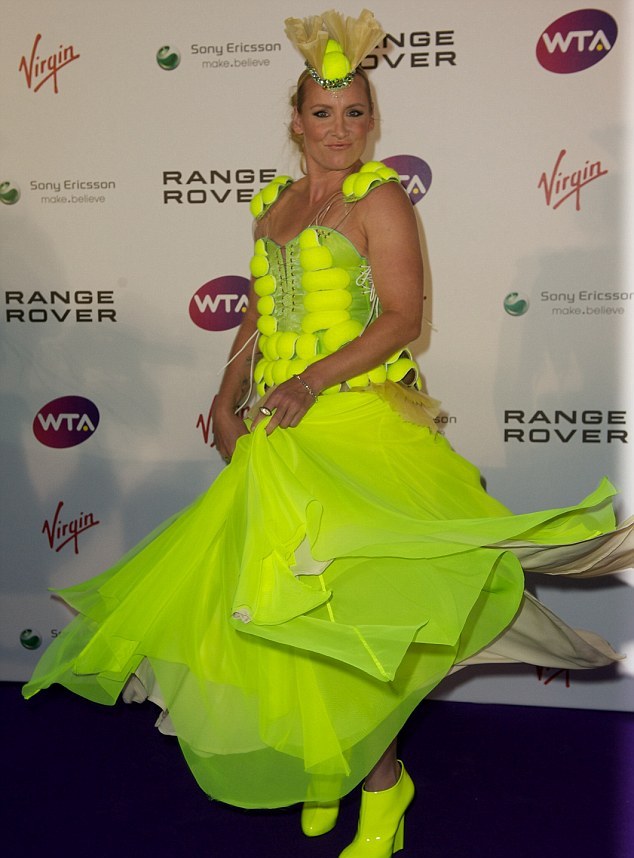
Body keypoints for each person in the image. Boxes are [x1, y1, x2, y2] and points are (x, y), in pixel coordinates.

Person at [23, 10, 633, 858]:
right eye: (322, 113)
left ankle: (382, 792)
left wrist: (310, 381)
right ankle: (324, 766)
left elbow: (402, 318)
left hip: (354, 422)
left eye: (353, 113)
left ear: (372, 121)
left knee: (341, 618)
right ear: (296, 121)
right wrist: (225, 394)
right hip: (280, 431)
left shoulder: (379, 198)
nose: (338, 129)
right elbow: (256, 313)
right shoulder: (271, 206)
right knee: (278, 616)